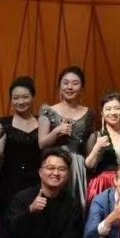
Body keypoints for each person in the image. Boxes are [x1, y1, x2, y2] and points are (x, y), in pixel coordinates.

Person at [0, 76, 41, 238]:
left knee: (33, 234)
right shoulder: (4, 123)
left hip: (35, 186)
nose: (20, 101)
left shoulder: (42, 122)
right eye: (16, 98)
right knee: (7, 234)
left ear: (32, 97)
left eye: (25, 97)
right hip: (9, 187)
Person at [37, 66, 93, 206]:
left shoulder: (89, 113)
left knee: (75, 207)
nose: (70, 87)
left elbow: (88, 147)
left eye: (75, 83)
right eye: (66, 83)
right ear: (60, 86)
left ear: (82, 87)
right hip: (54, 164)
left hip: (78, 167)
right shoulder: (47, 110)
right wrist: (56, 132)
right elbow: (41, 143)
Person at [82, 91, 120, 203]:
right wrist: (97, 147)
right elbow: (88, 166)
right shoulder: (96, 136)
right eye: (108, 109)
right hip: (101, 186)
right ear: (102, 113)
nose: (113, 112)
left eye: (117, 108)